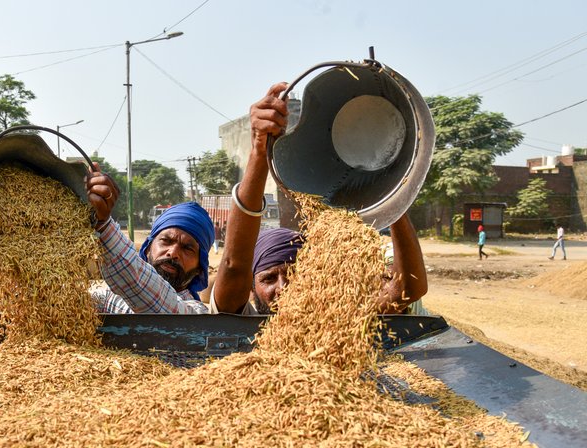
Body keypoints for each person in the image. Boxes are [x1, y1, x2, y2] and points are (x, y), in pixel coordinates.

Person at [210, 83, 428, 316]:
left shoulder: (334, 323)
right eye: (269, 278)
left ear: (315, 281)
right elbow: (234, 266)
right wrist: (259, 152)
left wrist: (389, 193)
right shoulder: (239, 317)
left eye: (295, 274)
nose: (283, 288)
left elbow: (407, 288)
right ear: (251, 288)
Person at [86, 166, 214, 314]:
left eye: (187, 248)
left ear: (199, 268)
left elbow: (157, 304)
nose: (173, 253)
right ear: (147, 249)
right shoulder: (111, 300)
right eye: (166, 240)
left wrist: (104, 226)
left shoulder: (197, 314)